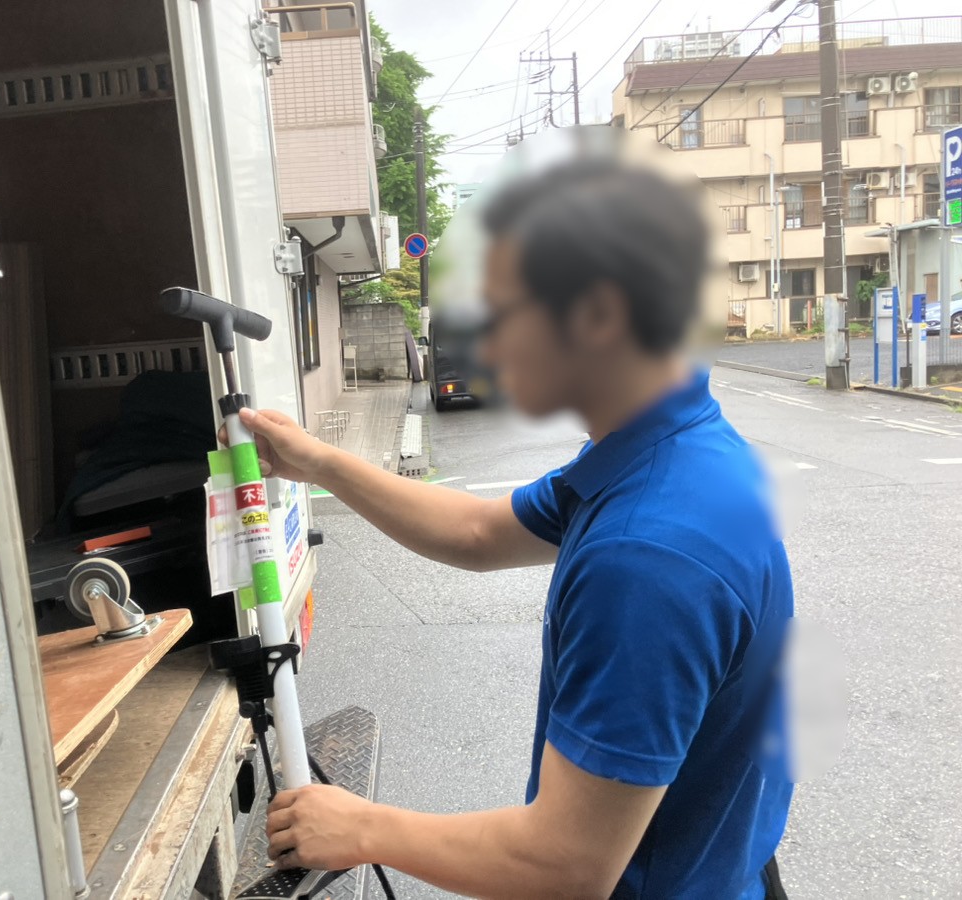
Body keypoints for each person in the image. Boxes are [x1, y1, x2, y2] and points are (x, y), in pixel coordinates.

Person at [233, 154, 793, 898]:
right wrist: (322, 463)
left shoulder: (647, 556)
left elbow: (564, 865)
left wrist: (365, 829)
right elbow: (477, 531)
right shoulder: (677, 453)